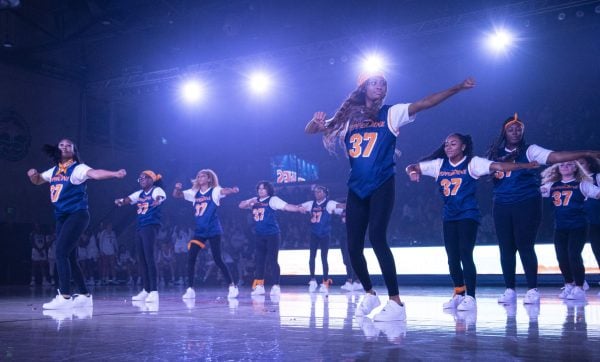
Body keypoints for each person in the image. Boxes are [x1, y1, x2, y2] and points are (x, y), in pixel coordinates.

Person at [305, 72, 475, 321]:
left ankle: (396, 302)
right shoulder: (348, 119)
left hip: (382, 184)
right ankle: (369, 293)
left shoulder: (392, 113)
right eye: (374, 82)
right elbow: (311, 130)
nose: (380, 86)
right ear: (363, 88)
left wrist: (456, 87)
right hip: (356, 187)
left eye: (383, 84)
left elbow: (426, 102)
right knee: (352, 246)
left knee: (376, 237)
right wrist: (315, 121)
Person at [405, 133, 538, 311]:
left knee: (465, 254)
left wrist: (525, 165)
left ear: (463, 147)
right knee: (452, 258)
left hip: (468, 215)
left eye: (453, 144)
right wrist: (413, 172)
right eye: (446, 144)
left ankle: (471, 297)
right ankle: (459, 293)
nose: (448, 147)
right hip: (449, 216)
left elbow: (498, 165)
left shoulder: (473, 163)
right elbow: (411, 167)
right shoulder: (438, 165)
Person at [486, 114, 600, 305]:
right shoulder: (495, 153)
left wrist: (586, 153)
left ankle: (532, 290)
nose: (515, 132)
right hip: (501, 204)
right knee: (505, 248)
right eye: (511, 129)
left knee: (525, 246)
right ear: (504, 132)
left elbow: (556, 156)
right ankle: (509, 290)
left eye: (519, 129)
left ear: (523, 131)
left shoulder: (530, 150)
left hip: (527, 203)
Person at [27, 138, 126, 309]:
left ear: (74, 151)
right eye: (61, 145)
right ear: (57, 149)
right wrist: (33, 175)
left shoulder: (78, 168)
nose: (64, 147)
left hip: (77, 215)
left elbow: (95, 173)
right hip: (62, 217)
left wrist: (114, 174)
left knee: (60, 253)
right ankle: (85, 295)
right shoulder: (54, 171)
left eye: (68, 145)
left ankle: (64, 297)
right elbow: (37, 181)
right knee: (70, 257)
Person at [173, 169, 240, 299]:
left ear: (209, 179)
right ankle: (190, 289)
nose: (200, 177)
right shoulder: (194, 193)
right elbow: (177, 195)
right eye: (198, 176)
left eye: (203, 176)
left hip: (213, 229)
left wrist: (231, 190)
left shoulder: (214, 190)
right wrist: (176, 188)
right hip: (200, 231)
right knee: (191, 257)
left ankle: (232, 286)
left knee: (217, 258)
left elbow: (223, 191)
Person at [540, 161, 600, 300]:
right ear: (557, 168)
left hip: (578, 226)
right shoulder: (551, 185)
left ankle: (579, 287)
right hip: (560, 227)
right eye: (562, 165)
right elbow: (536, 192)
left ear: (575, 168)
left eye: (569, 164)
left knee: (574, 255)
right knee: (561, 257)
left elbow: (597, 193)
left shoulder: (582, 184)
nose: (565, 166)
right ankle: (569, 284)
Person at [239, 181, 306, 296]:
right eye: (259, 188)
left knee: (272, 260)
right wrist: (250, 201)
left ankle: (276, 286)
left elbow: (286, 206)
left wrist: (297, 208)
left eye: (263, 189)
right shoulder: (254, 200)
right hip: (259, 235)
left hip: (272, 234)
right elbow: (240, 205)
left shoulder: (273, 200)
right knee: (260, 261)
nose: (261, 190)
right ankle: (259, 286)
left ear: (268, 190)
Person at [115, 170, 166, 303]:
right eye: (140, 178)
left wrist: (157, 201)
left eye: (144, 178)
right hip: (140, 227)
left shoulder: (156, 190)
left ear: (151, 179)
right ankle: (146, 290)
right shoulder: (140, 194)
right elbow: (128, 199)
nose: (142, 180)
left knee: (149, 258)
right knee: (141, 259)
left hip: (150, 226)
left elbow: (160, 197)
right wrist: (121, 201)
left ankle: (154, 291)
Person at [299, 185, 344, 294]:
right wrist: (299, 208)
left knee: (324, 257)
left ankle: (325, 281)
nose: (317, 193)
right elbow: (296, 207)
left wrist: (352, 204)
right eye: (315, 192)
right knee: (312, 256)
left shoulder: (329, 203)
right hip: (314, 233)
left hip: (325, 234)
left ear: (325, 193)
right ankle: (312, 280)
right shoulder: (310, 204)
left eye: (319, 192)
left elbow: (341, 206)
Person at [578, 156, 600, 295]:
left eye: (582, 163)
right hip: (583, 220)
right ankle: (579, 281)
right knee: (578, 250)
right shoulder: (574, 182)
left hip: (597, 218)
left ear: (590, 164)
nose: (579, 166)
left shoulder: (597, 177)